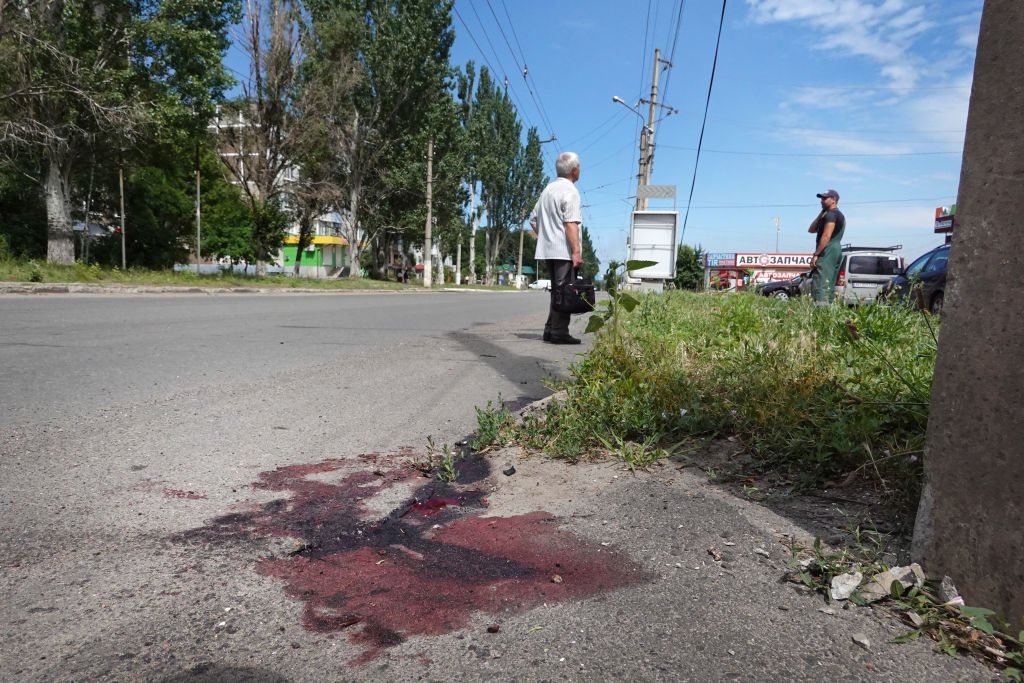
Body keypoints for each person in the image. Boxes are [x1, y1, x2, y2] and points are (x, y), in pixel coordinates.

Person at [529, 151, 584, 344]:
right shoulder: (570, 191)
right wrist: (576, 252)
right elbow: (571, 224)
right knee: (565, 291)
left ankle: (550, 330)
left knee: (557, 291)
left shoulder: (548, 190)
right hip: (563, 251)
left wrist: (546, 235)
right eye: (580, 167)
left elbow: (533, 219)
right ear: (575, 170)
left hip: (547, 250)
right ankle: (559, 332)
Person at [807, 189, 846, 305]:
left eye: (825, 198)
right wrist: (821, 213)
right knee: (829, 285)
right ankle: (828, 314)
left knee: (821, 284)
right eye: (821, 198)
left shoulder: (831, 215)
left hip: (827, 250)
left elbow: (826, 236)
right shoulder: (837, 215)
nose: (822, 201)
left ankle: (820, 316)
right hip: (836, 250)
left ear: (834, 200)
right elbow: (811, 229)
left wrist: (816, 255)